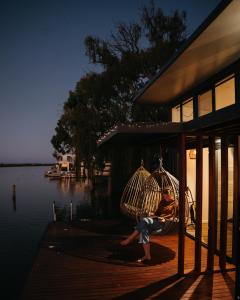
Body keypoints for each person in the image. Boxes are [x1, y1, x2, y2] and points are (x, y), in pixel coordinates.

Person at [120, 189, 176, 262]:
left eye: (167, 196)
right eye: (164, 196)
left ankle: (130, 239)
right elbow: (157, 213)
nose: (165, 198)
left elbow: (176, 217)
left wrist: (166, 219)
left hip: (164, 224)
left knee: (144, 220)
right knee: (144, 230)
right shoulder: (162, 201)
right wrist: (152, 214)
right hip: (156, 220)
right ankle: (147, 255)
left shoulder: (175, 203)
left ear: (171, 195)